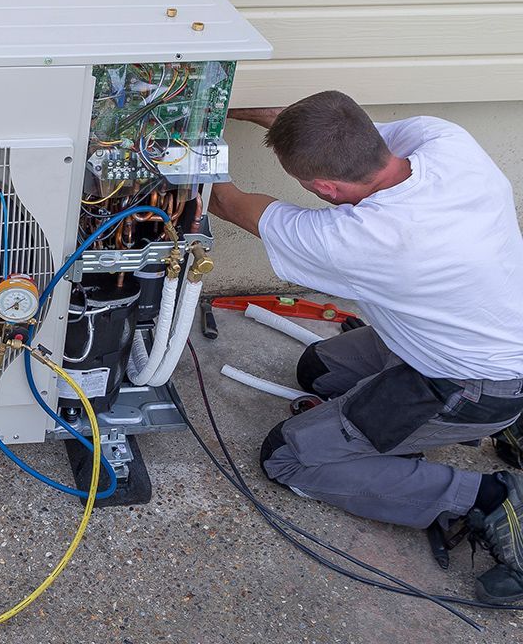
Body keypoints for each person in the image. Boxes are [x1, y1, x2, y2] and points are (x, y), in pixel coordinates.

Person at [209, 90, 523, 604]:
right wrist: (212, 107)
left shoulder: (363, 238)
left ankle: (486, 500)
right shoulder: (446, 142)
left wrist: (192, 137)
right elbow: (299, 121)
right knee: (319, 370)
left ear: (324, 188)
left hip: (469, 385)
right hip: (482, 337)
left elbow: (226, 201)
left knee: (289, 457)